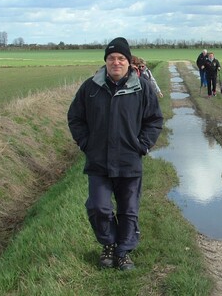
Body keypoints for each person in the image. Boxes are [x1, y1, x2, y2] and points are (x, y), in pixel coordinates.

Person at [67, 37, 164, 271]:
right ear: (106, 62)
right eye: (111, 58)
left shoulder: (143, 88)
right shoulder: (90, 88)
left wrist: (142, 145)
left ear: (129, 63)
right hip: (98, 161)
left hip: (129, 160)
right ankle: (109, 244)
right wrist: (86, 144)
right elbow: (75, 118)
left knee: (128, 210)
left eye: (121, 58)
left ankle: (123, 252)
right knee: (98, 207)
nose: (116, 62)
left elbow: (154, 120)